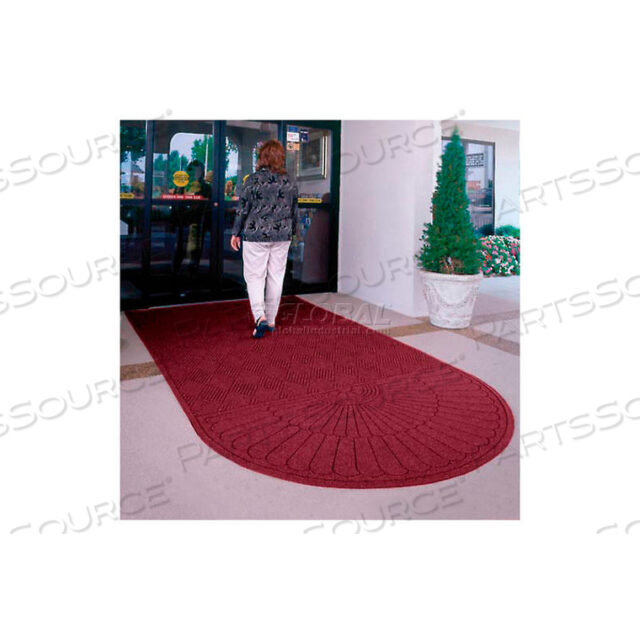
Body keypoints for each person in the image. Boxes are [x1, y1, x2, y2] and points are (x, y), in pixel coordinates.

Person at [230, 140, 298, 338]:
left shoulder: (253, 180)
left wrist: (235, 232)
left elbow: (243, 209)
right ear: (280, 158)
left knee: (255, 276)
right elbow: (294, 211)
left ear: (261, 157)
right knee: (276, 276)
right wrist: (293, 233)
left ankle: (260, 316)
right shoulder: (289, 182)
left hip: (256, 234)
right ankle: (272, 319)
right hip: (282, 235)